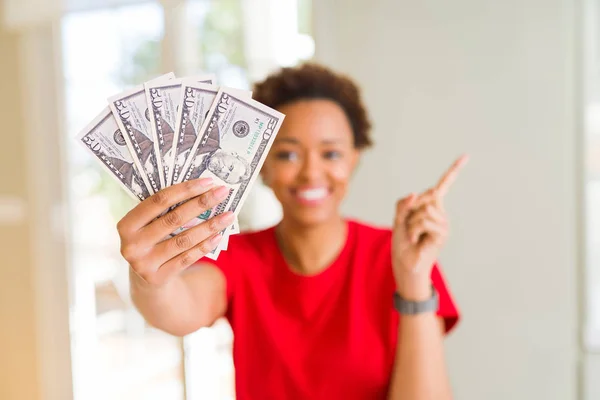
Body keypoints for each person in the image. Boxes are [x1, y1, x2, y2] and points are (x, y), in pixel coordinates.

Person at [117, 63, 467, 400]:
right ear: (261, 165)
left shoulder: (401, 257)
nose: (311, 173)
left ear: (353, 160)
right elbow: (178, 309)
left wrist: (414, 281)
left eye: (330, 153)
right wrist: (149, 277)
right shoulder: (239, 257)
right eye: (287, 155)